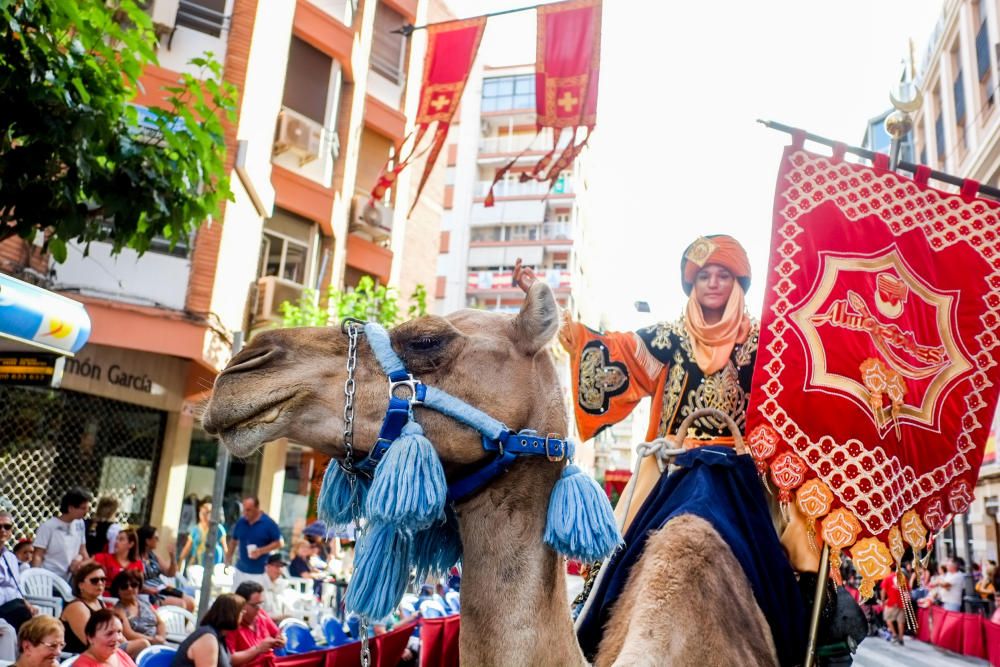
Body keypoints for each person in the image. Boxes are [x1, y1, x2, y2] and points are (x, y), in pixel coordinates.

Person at [516, 237, 809, 666]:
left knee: (792, 559)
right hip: (672, 466)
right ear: (691, 283)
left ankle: (819, 633)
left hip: (744, 468)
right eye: (703, 275)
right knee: (614, 561)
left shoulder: (768, 346)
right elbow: (603, 351)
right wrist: (549, 306)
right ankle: (586, 631)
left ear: (738, 282)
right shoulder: (668, 339)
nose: (712, 283)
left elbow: (797, 392)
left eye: (722, 275)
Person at [33, 488, 91, 578]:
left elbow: (82, 550)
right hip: (49, 577)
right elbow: (38, 555)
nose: (86, 512)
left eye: (87, 508)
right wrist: (36, 578)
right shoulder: (49, 526)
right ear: (70, 508)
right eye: (83, 508)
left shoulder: (80, 524)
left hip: (69, 578)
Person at [172, 594, 243, 667]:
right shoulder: (208, 639)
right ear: (231, 614)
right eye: (241, 612)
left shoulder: (218, 637)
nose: (243, 615)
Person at [226, 499, 282, 589]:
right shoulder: (241, 522)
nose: (245, 513)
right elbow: (233, 541)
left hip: (259, 572)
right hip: (240, 570)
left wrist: (261, 551)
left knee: (255, 600)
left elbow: (279, 543)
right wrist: (228, 559)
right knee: (236, 600)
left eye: (248, 510)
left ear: (257, 508)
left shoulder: (268, 523)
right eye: (244, 510)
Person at [225, 582, 284, 667]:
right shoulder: (232, 624)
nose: (259, 608)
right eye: (255, 605)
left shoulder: (261, 614)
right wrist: (258, 649)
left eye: (261, 603)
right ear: (241, 604)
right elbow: (229, 659)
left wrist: (281, 639)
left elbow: (277, 634)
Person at [136, 526, 193, 611]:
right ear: (147, 541)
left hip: (162, 588)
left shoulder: (154, 556)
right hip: (150, 592)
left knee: (190, 603)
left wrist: (172, 557)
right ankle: (174, 624)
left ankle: (180, 624)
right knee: (181, 604)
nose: (158, 541)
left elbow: (171, 573)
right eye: (156, 538)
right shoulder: (136, 558)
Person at [0, 511, 35, 632]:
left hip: (13, 607)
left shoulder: (10, 557)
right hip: (3, 610)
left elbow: (16, 586)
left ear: (11, 531)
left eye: (7, 527)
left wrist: (26, 603)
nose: (3, 530)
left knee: (42, 622)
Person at [110, 571, 166, 646]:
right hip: (140, 646)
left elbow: (160, 622)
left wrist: (161, 637)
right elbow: (128, 634)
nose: (129, 589)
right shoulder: (119, 610)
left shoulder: (144, 602)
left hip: (158, 642)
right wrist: (152, 640)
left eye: (134, 585)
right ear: (117, 591)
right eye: (124, 586)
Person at [74, 609, 138, 667]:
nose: (117, 638)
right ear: (90, 638)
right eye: (109, 633)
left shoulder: (119, 653)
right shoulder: (82, 665)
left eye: (119, 632)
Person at [179, 498, 228, 570]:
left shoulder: (218, 529)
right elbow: (187, 547)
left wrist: (227, 564)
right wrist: (180, 560)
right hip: (197, 562)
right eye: (202, 513)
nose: (203, 515)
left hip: (214, 561)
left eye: (207, 513)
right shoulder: (195, 529)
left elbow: (225, 548)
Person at [880, 566, 905, 646]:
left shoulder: (887, 578)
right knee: (900, 621)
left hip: (891, 602)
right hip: (902, 602)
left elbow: (883, 590)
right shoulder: (902, 577)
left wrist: (883, 600)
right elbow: (907, 589)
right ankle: (901, 638)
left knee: (887, 618)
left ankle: (894, 634)